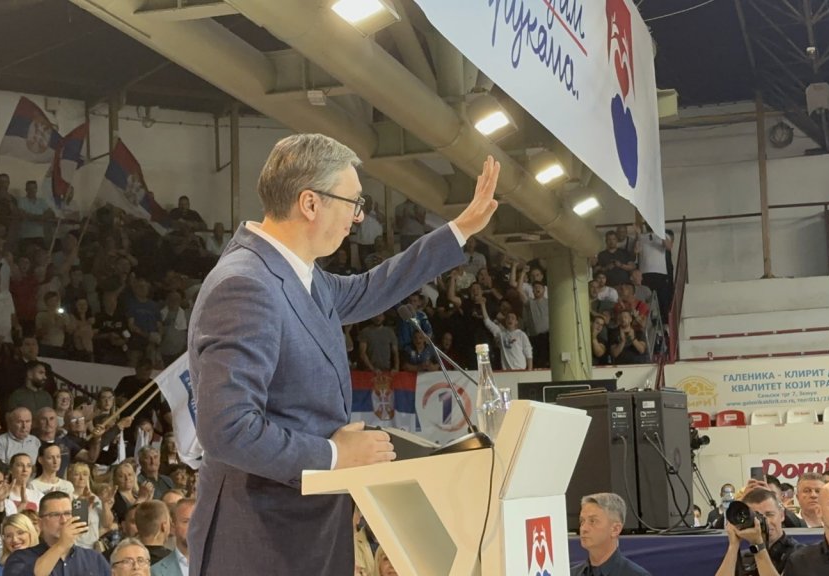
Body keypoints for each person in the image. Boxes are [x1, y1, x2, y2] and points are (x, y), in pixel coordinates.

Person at [185, 134, 500, 575]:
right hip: (261, 539)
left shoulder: (301, 275)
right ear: (310, 203)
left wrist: (460, 230)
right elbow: (227, 430)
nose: (359, 216)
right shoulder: (246, 285)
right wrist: (334, 455)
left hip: (302, 530)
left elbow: (374, 288)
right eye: (353, 202)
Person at [2, 491, 110, 576]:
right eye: (55, 515)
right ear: (40, 523)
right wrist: (62, 545)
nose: (63, 520)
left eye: (68, 513)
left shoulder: (94, 558)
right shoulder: (20, 558)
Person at [713, 488, 802, 576]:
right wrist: (733, 546)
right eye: (756, 517)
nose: (765, 522)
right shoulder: (746, 557)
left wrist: (758, 545)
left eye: (769, 514)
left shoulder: (799, 555)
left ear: (782, 515)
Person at [572, 492, 651, 575]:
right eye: (582, 521)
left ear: (615, 529)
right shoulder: (569, 573)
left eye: (592, 521)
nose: (583, 528)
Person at [150, 499, 192, 576]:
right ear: (173, 526)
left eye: (198, 522)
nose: (194, 527)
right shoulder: (155, 572)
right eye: (186, 521)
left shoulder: (216, 565)